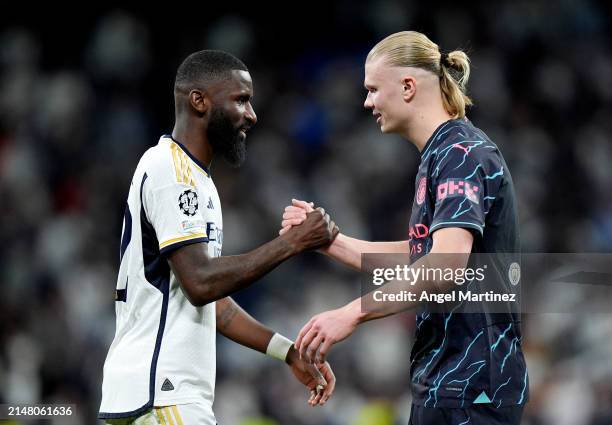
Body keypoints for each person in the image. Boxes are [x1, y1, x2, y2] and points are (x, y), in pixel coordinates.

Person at [281, 31, 528, 425]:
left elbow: (446, 265)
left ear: (408, 86)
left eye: (374, 89)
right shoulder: (441, 155)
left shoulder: (460, 154)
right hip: (448, 381)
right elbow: (423, 256)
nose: (367, 102)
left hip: (471, 386)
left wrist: (352, 312)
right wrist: (330, 241)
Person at [98, 50, 337, 425]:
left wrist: (287, 352)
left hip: (153, 394)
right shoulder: (172, 170)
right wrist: (292, 242)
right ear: (199, 100)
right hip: (163, 392)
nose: (252, 114)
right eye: (241, 99)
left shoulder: (195, 178)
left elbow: (214, 304)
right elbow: (200, 282)